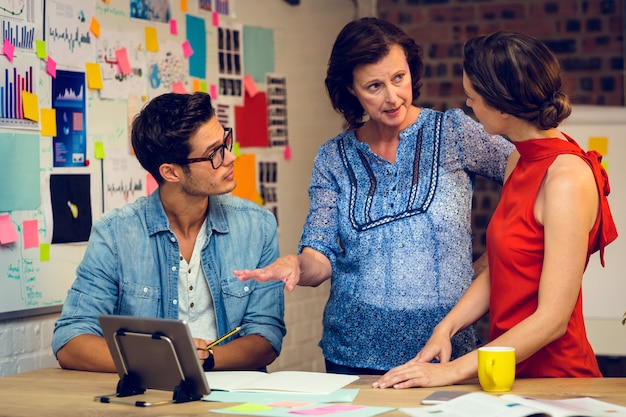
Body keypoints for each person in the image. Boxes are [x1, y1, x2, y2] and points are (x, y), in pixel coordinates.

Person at [234, 17, 516, 374]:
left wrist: (494, 261)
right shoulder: (333, 157)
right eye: (374, 86)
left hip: (445, 353)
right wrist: (296, 265)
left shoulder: (455, 133)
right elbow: (318, 256)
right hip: (351, 355)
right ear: (351, 89)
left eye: (399, 78)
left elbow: (532, 178)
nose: (392, 97)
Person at [373, 31, 618, 389]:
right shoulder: (518, 157)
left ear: (503, 106)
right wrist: (447, 327)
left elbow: (552, 319)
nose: (468, 106)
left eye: (473, 97)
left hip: (558, 381)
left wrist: (451, 371)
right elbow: (499, 268)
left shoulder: (566, 178)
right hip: (503, 373)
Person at [52, 92, 286, 373]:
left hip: (234, 401)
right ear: (171, 172)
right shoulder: (115, 235)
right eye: (214, 153)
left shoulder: (257, 226)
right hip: (152, 400)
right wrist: (166, 359)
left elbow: (266, 336)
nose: (231, 157)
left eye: (225, 141)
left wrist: (205, 360)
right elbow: (70, 341)